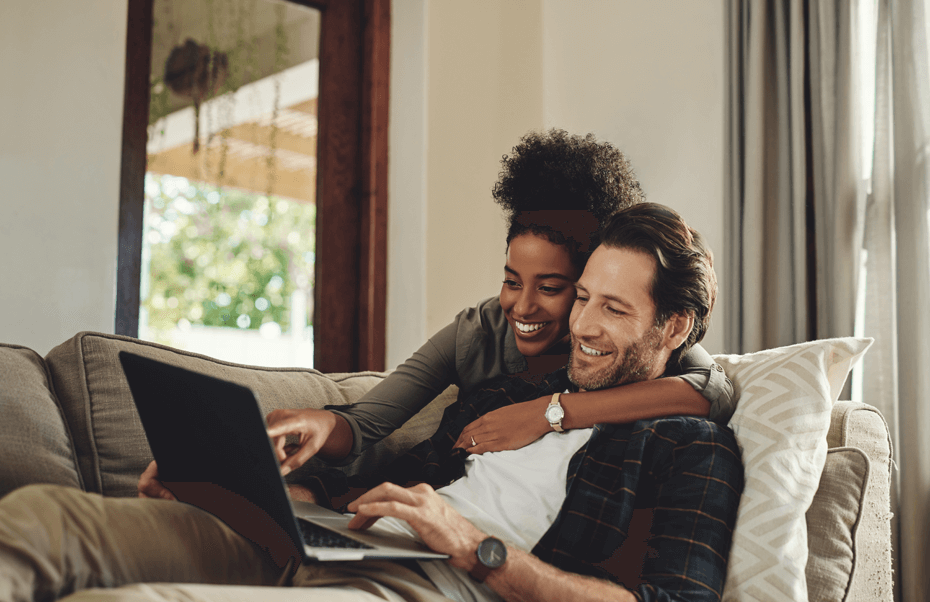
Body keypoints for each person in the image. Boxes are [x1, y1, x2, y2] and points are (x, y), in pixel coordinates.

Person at [0, 202, 743, 602]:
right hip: (335, 539)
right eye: (582, 297)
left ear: (673, 325)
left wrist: (474, 546)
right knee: (41, 517)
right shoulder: (509, 388)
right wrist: (231, 486)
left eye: (613, 310)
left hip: (435, 583)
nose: (579, 325)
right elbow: (379, 461)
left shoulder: (690, 445)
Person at [263, 129, 733, 480]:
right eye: (511, 281)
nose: (522, 307)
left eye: (551, 288)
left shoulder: (636, 341)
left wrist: (547, 412)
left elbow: (712, 390)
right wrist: (321, 422)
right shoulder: (480, 332)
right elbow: (366, 424)